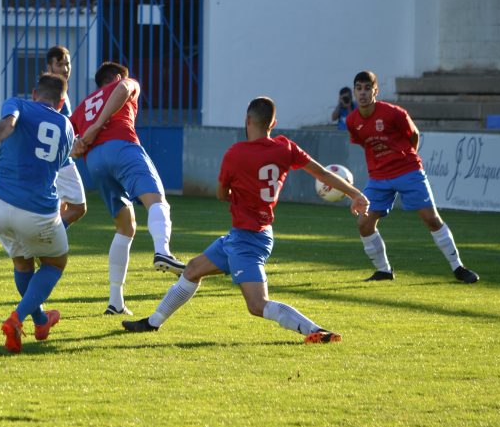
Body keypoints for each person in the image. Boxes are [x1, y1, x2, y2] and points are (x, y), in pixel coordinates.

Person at [122, 96, 370, 343]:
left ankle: (316, 330)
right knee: (193, 269)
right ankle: (152, 323)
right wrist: (356, 194)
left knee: (257, 304)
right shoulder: (286, 148)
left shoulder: (237, 153)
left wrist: (234, 193)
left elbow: (221, 194)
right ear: (273, 123)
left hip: (248, 240)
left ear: (248, 120)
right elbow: (323, 173)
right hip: (245, 235)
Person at [0, 73, 75, 353]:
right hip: (37, 210)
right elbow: (42, 171)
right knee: (54, 264)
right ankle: (17, 318)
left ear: (35, 94)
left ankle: (41, 320)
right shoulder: (67, 128)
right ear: (61, 102)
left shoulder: (18, 104)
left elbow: (8, 124)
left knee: (23, 264)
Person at [69, 61, 184, 316]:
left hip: (95, 162)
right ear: (118, 75)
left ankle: (116, 301)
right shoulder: (124, 83)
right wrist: (98, 125)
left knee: (125, 226)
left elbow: (68, 138)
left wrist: (75, 147)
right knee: (157, 201)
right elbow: (123, 88)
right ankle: (163, 251)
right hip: (121, 146)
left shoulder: (82, 106)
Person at [347, 71, 479, 283]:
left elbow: (414, 135)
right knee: (364, 223)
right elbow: (364, 143)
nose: (362, 93)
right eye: (359, 88)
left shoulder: (393, 113)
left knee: (431, 219)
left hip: (408, 170)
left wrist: (406, 158)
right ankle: (384, 270)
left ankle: (458, 267)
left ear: (375, 91)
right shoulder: (352, 120)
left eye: (367, 88)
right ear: (354, 91)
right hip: (379, 177)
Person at [45, 46, 87, 227]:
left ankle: (45, 246)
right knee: (78, 207)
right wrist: (71, 147)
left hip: (54, 158)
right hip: (60, 160)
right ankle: (47, 241)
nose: (65, 69)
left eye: (67, 64)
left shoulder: (57, 89)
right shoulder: (51, 92)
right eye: (59, 64)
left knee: (59, 209)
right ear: (49, 66)